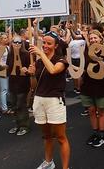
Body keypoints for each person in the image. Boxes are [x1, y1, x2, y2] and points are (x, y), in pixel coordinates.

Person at [28, 31, 70, 169]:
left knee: (60, 137)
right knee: (46, 136)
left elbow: (52, 70)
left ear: (56, 45)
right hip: (39, 100)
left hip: (54, 101)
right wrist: (32, 74)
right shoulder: (39, 62)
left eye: (49, 43)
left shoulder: (61, 61)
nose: (45, 45)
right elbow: (34, 86)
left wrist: (40, 54)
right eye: (44, 43)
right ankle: (48, 162)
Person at [80, 30, 104, 147]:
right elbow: (82, 67)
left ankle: (101, 135)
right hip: (87, 85)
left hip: (101, 86)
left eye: (95, 38)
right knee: (91, 110)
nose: (93, 40)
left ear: (100, 39)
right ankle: (95, 132)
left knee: (101, 111)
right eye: (91, 39)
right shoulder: (86, 52)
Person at [7, 35, 30, 136]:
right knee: (14, 105)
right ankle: (17, 125)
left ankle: (24, 126)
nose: (17, 44)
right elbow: (8, 68)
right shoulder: (10, 54)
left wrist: (27, 70)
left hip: (22, 84)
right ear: (11, 43)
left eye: (19, 42)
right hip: (12, 83)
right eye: (15, 42)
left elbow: (32, 69)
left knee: (21, 105)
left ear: (22, 44)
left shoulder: (26, 55)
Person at [0, 33, 10, 114]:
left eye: (6, 38)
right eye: (4, 38)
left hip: (6, 69)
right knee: (4, 89)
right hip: (1, 69)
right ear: (0, 40)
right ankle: (4, 108)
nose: (6, 39)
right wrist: (3, 67)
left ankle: (1, 106)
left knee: (2, 89)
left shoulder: (7, 47)